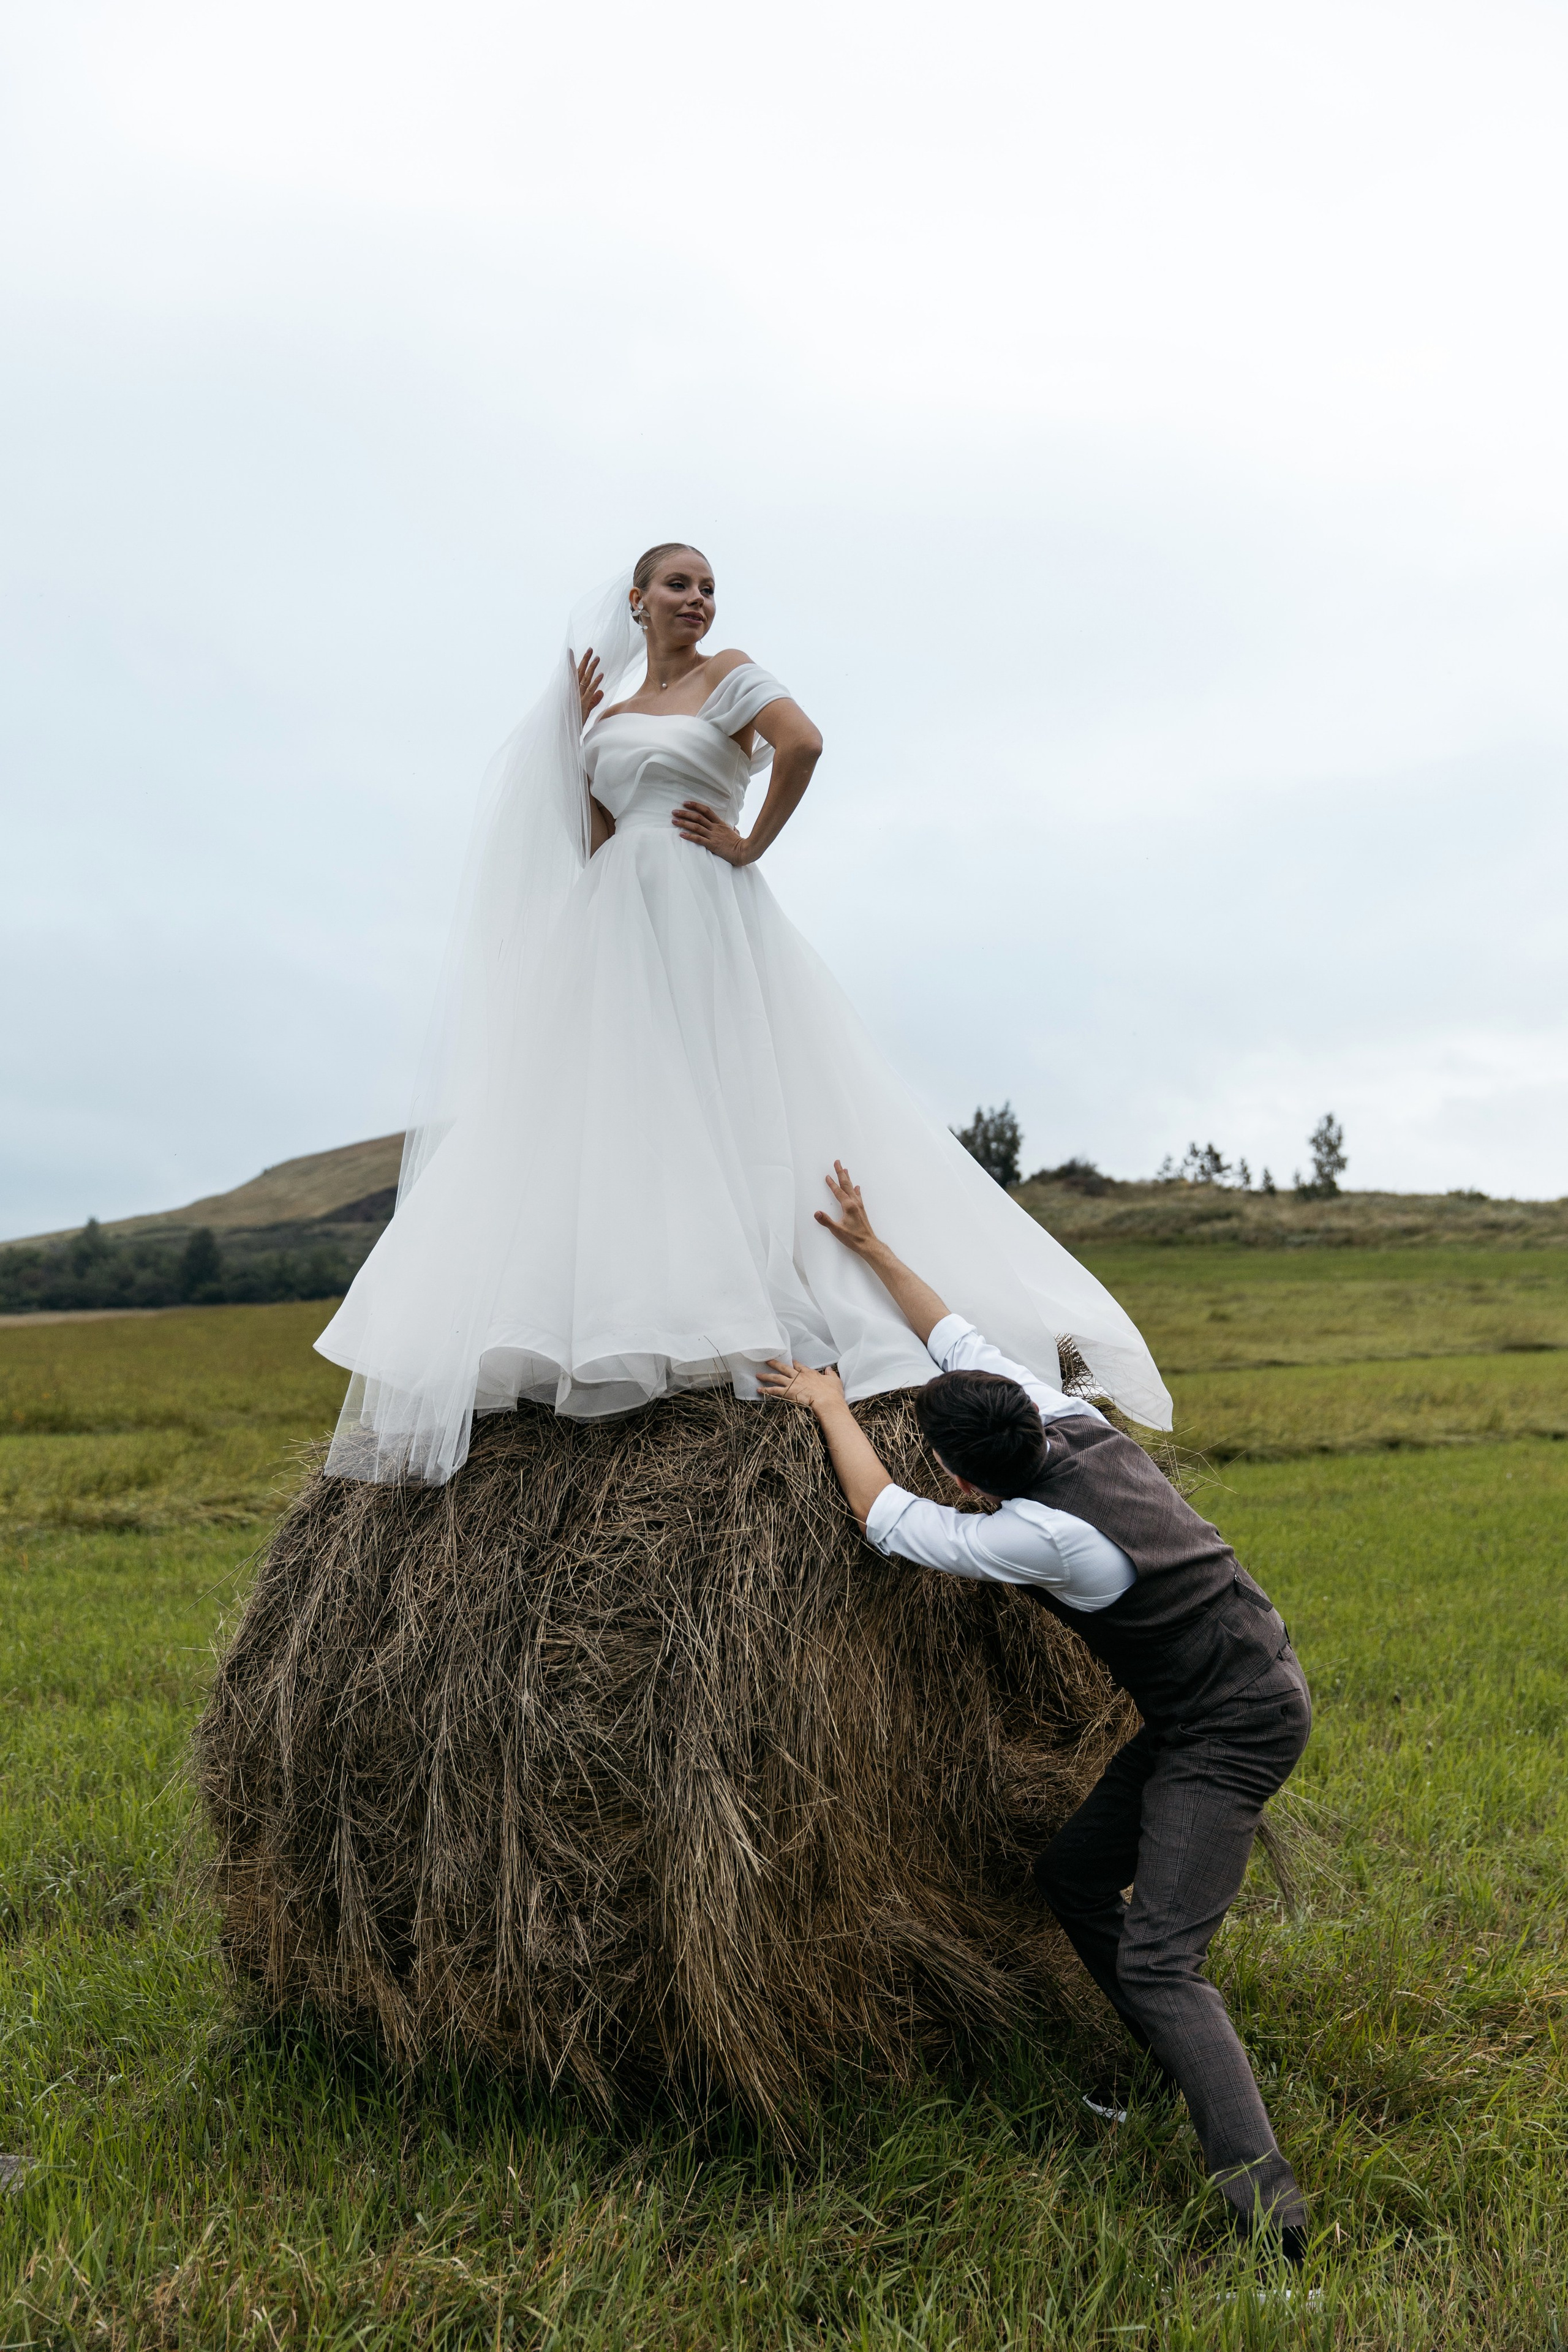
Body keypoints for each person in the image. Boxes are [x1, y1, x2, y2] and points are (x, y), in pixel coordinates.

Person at [316, 543, 1171, 1482]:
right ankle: (625, 1305)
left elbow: (801, 742)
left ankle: (760, 1297)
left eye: (709, 588)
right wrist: (574, 727)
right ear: (637, 601)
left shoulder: (729, 676)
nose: (698, 600)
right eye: (678, 585)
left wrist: (750, 841)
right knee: (620, 1104)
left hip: (703, 905)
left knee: (728, 1082)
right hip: (617, 919)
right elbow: (598, 830)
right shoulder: (609, 708)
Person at [760, 1163, 1313, 2263]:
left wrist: (828, 1405)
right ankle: (1180, 2065)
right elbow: (948, 1329)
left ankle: (1272, 2220)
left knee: (1164, 1960)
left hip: (1235, 1724)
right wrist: (869, 1245)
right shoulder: (1051, 1410)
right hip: (1218, 1686)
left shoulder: (1052, 1539)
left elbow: (887, 1521)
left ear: (973, 1481)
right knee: (1071, 1876)